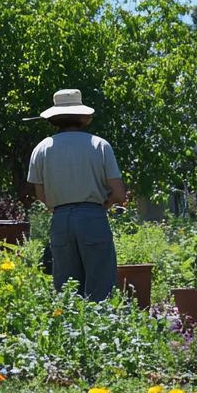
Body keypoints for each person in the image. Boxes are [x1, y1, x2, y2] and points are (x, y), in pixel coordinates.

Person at [27, 89, 127, 300]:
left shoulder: (42, 148)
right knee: (101, 285)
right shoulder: (99, 145)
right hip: (93, 216)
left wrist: (61, 208)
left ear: (54, 119)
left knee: (67, 288)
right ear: (84, 117)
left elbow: (40, 194)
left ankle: (69, 328)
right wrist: (103, 205)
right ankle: (103, 329)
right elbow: (118, 193)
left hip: (60, 220)